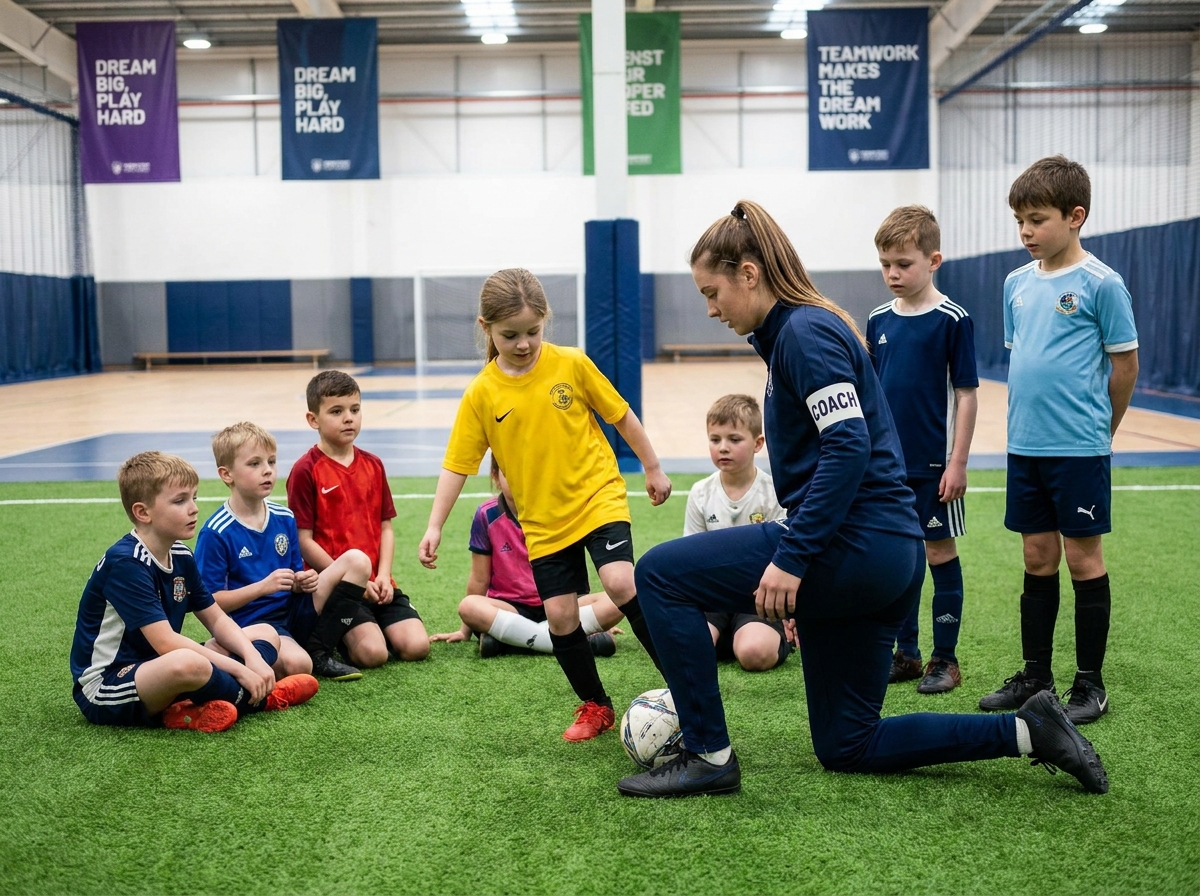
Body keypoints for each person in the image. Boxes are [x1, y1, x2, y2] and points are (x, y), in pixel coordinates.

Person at [616, 200, 1109, 799]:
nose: (710, 308)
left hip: (857, 548)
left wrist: (792, 557)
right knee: (847, 744)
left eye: (711, 291)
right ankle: (1030, 732)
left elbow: (847, 448)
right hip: (885, 558)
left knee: (661, 575)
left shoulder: (803, 332)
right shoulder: (791, 334)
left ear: (749, 273)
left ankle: (708, 754)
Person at [419, 268, 672, 742]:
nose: (522, 343)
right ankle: (596, 706)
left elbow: (620, 415)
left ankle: (684, 682)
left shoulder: (571, 364)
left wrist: (652, 467)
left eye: (532, 332)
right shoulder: (481, 394)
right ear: (486, 328)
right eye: (509, 335)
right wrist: (434, 525)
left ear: (545, 322)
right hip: (542, 520)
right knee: (559, 616)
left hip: (597, 495)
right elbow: (457, 464)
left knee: (619, 580)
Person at [978, 156, 1138, 725]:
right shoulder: (1015, 285)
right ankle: (1035, 675)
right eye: (1019, 220)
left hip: (1079, 448)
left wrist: (1104, 427)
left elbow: (1125, 364)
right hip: (1026, 446)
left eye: (1037, 220)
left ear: (1076, 217)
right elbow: (1025, 358)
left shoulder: (1102, 284)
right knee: (1036, 556)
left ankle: (1090, 683)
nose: (1025, 232)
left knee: (1081, 557)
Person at [70, 452, 318, 734]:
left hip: (159, 667)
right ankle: (264, 700)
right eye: (180, 501)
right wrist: (241, 670)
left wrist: (253, 658)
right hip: (109, 683)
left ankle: (186, 708)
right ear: (143, 512)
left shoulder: (180, 555)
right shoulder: (127, 563)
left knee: (264, 633)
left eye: (194, 498)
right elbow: (166, 643)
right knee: (188, 663)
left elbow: (216, 619)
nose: (193, 509)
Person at [867, 206, 979, 695]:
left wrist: (957, 463)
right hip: (888, 470)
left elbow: (967, 394)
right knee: (900, 559)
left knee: (938, 554)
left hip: (935, 469)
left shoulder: (953, 320)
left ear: (933, 260)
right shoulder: (876, 321)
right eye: (885, 263)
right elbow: (869, 393)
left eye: (903, 264)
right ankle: (906, 654)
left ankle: (945, 658)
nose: (893, 273)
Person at [195, 421, 369, 681]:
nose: (267, 471)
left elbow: (295, 575)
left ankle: (319, 650)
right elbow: (208, 601)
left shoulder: (284, 517)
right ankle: (221, 651)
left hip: (293, 610)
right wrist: (263, 587)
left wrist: (302, 581)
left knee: (357, 561)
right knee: (299, 665)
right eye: (254, 464)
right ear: (226, 474)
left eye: (272, 462)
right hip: (256, 624)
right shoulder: (217, 532)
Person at [287, 370, 431, 671]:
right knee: (373, 655)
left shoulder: (373, 465)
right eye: (336, 412)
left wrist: (382, 576)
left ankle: (378, 625)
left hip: (377, 582)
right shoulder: (305, 470)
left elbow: (385, 527)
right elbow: (303, 541)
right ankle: (336, 632)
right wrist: (358, 581)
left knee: (417, 646)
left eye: (355, 409)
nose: (348, 418)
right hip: (341, 586)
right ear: (313, 420)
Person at [428, 455, 623, 658]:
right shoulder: (487, 514)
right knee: (468, 606)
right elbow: (479, 578)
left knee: (620, 597)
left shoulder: (563, 508)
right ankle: (575, 639)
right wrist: (464, 630)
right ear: (495, 477)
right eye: (510, 472)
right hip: (511, 608)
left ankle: (510, 642)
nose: (520, 479)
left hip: (565, 603)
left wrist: (599, 618)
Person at [684, 393, 790, 672]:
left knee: (754, 654)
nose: (723, 448)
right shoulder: (700, 493)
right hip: (713, 597)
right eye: (715, 439)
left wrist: (791, 612)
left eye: (734, 439)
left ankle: (758, 638)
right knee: (688, 650)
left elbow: (786, 554)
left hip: (758, 599)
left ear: (757, 444)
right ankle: (726, 636)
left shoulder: (775, 492)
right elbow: (690, 557)